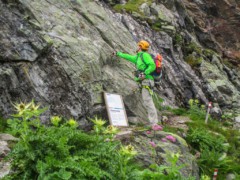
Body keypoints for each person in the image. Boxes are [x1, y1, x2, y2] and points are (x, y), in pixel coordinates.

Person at [113, 40, 158, 126]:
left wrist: (145, 73)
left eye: (138, 46)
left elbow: (152, 65)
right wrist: (118, 53)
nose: (137, 47)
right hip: (144, 81)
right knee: (147, 101)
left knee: (147, 101)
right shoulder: (138, 57)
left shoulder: (144, 55)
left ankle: (154, 123)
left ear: (140, 47)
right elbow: (128, 57)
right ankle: (153, 122)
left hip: (147, 80)